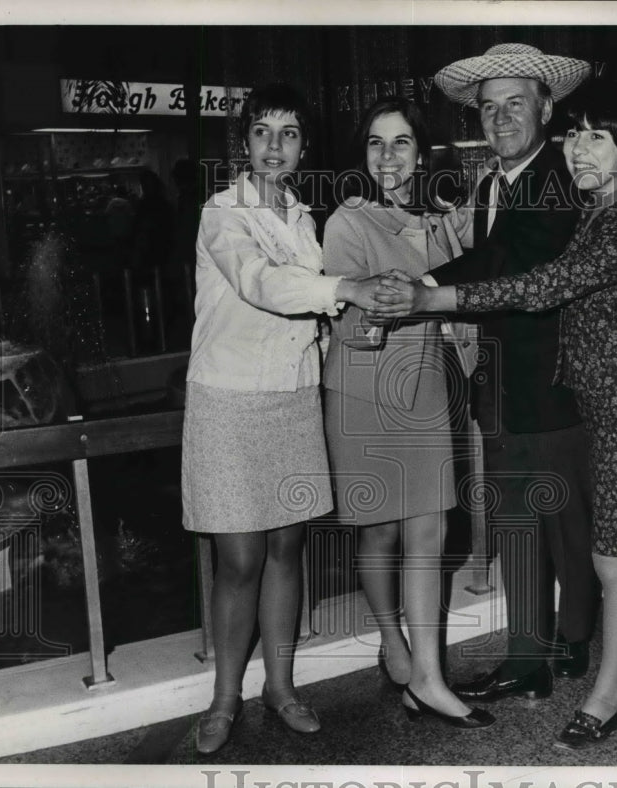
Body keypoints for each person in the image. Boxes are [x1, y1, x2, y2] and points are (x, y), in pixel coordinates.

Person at [374, 79, 617, 749]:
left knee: (616, 560)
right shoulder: (606, 202)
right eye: (577, 135)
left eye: (596, 138)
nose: (579, 150)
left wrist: (432, 299)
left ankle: (605, 699)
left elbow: (542, 282)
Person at [181, 83, 397, 755]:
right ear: (244, 143)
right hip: (227, 398)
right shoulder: (222, 213)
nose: (275, 146)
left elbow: (307, 315)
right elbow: (261, 285)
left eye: (289, 133)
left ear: (304, 146)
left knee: (285, 548)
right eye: (262, 133)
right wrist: (343, 290)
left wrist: (349, 333)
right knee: (239, 557)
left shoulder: (305, 218)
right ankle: (224, 700)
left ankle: (280, 687)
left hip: (292, 397)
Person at [422, 43, 600, 704]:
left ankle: (576, 635)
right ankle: (527, 657)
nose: (499, 119)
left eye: (515, 104)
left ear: (546, 108)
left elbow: (510, 259)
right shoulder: (493, 183)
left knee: (568, 521)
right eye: (489, 107)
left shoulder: (558, 178)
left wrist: (423, 288)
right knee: (519, 522)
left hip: (553, 382)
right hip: (501, 385)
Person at [321, 97, 492, 730]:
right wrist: (408, 297)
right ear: (362, 154)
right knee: (381, 530)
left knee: (431, 531)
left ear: (421, 153)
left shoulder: (435, 217)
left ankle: (427, 677)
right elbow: (355, 313)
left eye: (400, 144)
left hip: (420, 383)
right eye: (375, 143)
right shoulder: (347, 220)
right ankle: (393, 641)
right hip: (365, 388)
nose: (387, 156)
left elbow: (481, 260)